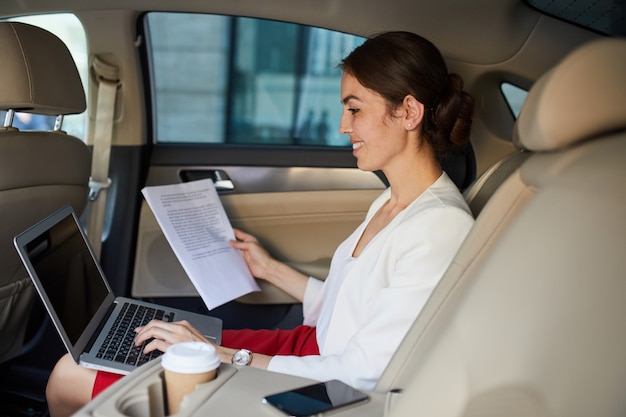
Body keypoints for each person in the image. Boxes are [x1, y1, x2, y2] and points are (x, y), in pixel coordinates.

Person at [45, 30, 475, 417]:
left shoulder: (439, 227)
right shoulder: (392, 199)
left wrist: (221, 356)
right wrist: (268, 268)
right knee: (110, 353)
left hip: (323, 385)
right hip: (310, 349)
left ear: (409, 112)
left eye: (354, 109)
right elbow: (351, 310)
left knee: (69, 375)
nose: (344, 126)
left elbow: (362, 371)